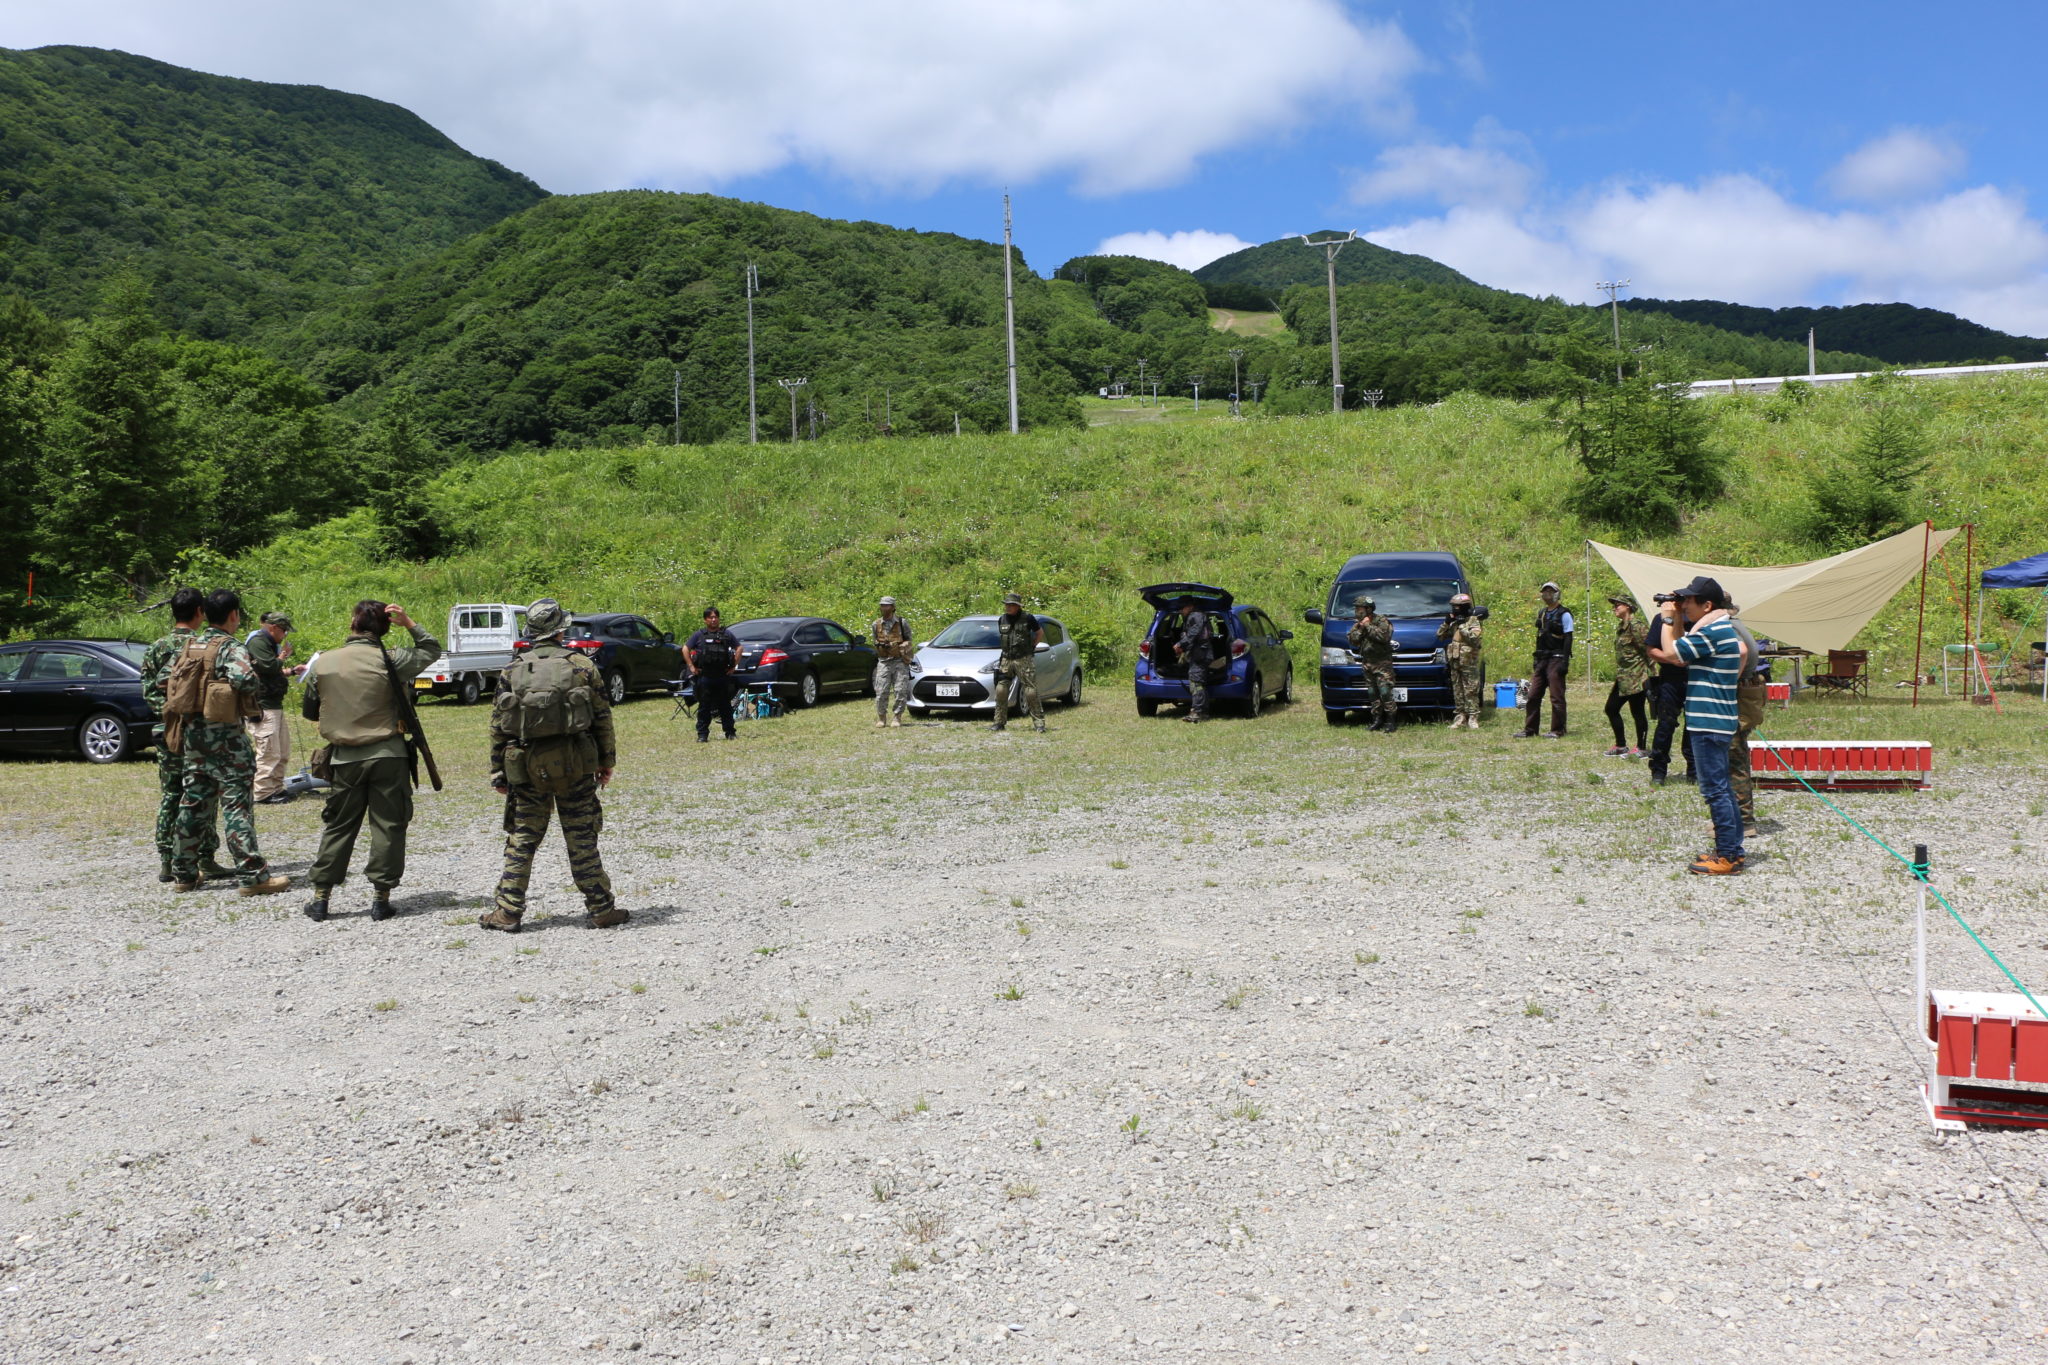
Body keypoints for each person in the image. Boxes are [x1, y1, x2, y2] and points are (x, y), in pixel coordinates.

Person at [480, 598, 626, 932]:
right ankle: (601, 909)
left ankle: (507, 912)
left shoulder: (512, 669)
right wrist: (606, 762)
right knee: (581, 838)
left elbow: (498, 725)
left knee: (522, 840)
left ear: (532, 632)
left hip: (526, 767)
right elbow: (602, 718)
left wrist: (498, 770)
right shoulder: (582, 665)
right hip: (576, 766)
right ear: (562, 629)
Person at [298, 600, 442, 923]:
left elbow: (309, 711)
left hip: (344, 758)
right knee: (389, 824)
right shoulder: (394, 660)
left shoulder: (323, 663)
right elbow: (431, 648)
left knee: (338, 824)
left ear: (353, 624)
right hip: (389, 754)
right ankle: (381, 898)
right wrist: (409, 622)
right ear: (385, 628)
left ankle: (321, 898)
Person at [167, 589, 289, 896]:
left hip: (194, 737)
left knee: (193, 804)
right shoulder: (230, 646)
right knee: (236, 806)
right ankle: (252, 876)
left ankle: (183, 872)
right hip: (226, 740)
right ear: (233, 615)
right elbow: (245, 680)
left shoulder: (192, 643)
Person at [1650, 576, 1746, 875]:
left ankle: (1728, 855)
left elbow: (1670, 654)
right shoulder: (1717, 627)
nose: (1684, 606)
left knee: (1715, 791)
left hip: (1708, 720)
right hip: (1716, 718)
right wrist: (1678, 616)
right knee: (1723, 789)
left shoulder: (1713, 631)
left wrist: (1667, 618)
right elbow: (1682, 646)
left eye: (1688, 602)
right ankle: (1732, 850)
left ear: (1707, 605)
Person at [140, 587, 227, 883]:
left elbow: (148, 691)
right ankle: (204, 857)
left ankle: (167, 860)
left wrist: (168, 712)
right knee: (203, 795)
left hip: (165, 730)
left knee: (172, 794)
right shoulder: (200, 645)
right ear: (200, 612)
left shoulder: (156, 647)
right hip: (197, 732)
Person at [245, 611, 305, 804]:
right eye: (284, 630)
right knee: (269, 751)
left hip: (274, 703)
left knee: (282, 751)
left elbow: (273, 671)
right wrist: (282, 656)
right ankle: (262, 793)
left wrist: (291, 671)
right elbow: (267, 666)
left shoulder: (269, 643)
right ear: (274, 628)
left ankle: (276, 788)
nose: (285, 635)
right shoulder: (257, 642)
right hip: (263, 705)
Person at [1724, 606, 1768, 840]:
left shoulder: (1730, 628)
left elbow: (1739, 654)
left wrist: (1726, 683)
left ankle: (1744, 820)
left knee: (1735, 760)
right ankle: (1739, 818)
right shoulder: (1736, 625)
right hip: (1744, 698)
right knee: (1734, 758)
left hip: (1737, 700)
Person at [1644, 592, 1692, 787]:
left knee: (1694, 725)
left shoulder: (1696, 620)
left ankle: (1694, 770)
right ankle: (1658, 769)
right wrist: (1672, 660)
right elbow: (1651, 649)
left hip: (1694, 677)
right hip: (1671, 678)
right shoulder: (1661, 619)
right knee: (1665, 724)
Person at [1518, 581, 1573, 738]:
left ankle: (1558, 730)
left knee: (1556, 697)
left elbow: (1568, 637)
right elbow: (1539, 637)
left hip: (1556, 658)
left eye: (1550, 591)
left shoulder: (1565, 614)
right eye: (1544, 591)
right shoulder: (1542, 613)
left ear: (1557, 594)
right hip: (1542, 658)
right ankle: (1530, 729)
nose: (1546, 594)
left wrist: (1565, 661)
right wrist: (1536, 658)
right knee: (1533, 695)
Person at [1603, 595, 1651, 757]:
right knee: (1611, 708)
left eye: (1618, 605)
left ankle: (1641, 747)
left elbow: (1649, 651)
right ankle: (1621, 745)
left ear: (1628, 606)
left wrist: (1652, 677)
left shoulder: (1637, 626)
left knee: (1637, 712)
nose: (1614, 608)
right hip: (1623, 678)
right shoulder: (1621, 627)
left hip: (1637, 677)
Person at [990, 592, 1044, 733]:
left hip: (1023, 658)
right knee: (1001, 690)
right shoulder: (1002, 619)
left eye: (1011, 605)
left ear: (1018, 606)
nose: (1008, 607)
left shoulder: (1028, 618)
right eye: (1007, 604)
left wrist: (1032, 646)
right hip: (1006, 659)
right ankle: (999, 722)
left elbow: (1039, 633)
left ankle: (1039, 723)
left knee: (1030, 691)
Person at [686, 606, 741, 742]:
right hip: (705, 676)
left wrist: (733, 666)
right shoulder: (699, 635)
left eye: (716, 617)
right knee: (704, 707)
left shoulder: (726, 634)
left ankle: (730, 733)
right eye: (710, 617)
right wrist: (691, 666)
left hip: (722, 676)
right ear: (705, 620)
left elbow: (739, 647)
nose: (714, 620)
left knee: (725, 706)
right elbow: (685, 649)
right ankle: (702, 735)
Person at [1347, 595, 1397, 731]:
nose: (1357, 611)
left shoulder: (1381, 620)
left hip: (1382, 664)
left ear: (1368, 609)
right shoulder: (1358, 624)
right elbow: (1353, 639)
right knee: (1372, 693)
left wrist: (1368, 626)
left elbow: (1384, 636)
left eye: (1359, 608)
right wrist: (1362, 628)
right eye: (1356, 608)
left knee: (1385, 692)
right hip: (1367, 663)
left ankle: (1391, 720)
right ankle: (1377, 719)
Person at [1436, 593, 1484, 729]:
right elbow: (1439, 636)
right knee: (1458, 690)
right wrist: (1446, 623)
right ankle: (1460, 716)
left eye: (1458, 607)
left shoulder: (1473, 621)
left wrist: (1463, 626)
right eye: (1453, 607)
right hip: (1455, 661)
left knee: (1471, 689)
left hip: (1468, 661)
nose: (1455, 609)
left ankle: (1473, 717)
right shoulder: (1454, 622)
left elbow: (1474, 639)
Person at [870, 596, 914, 728]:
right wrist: (881, 644)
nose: (884, 608)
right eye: (882, 605)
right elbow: (875, 640)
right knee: (881, 690)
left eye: (887, 605)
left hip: (899, 660)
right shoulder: (876, 624)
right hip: (884, 661)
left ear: (893, 607)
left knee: (900, 690)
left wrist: (899, 646)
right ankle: (882, 718)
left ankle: (897, 717)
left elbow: (909, 640)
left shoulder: (901, 622)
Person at [1174, 596, 1215, 723]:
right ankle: (1203, 712)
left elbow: (1194, 633)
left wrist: (1181, 644)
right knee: (1199, 683)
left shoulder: (1196, 616)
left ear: (1190, 606)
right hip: (1200, 654)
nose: (1181, 611)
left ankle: (1196, 712)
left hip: (1200, 654)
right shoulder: (1196, 616)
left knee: (1196, 683)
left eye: (1182, 608)